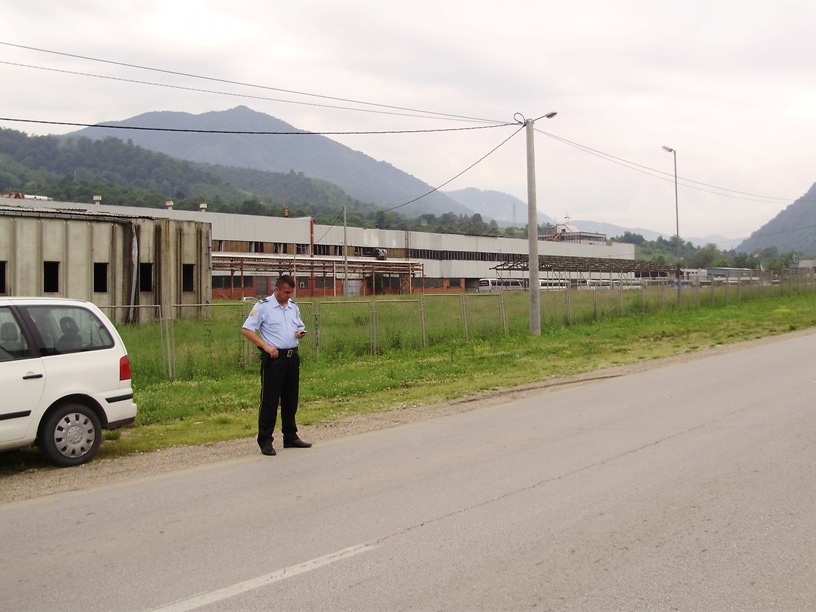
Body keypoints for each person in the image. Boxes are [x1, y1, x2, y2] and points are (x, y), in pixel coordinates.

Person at [241, 275, 311, 456]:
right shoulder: (263, 306)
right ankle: (265, 440)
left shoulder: (293, 307)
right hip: (274, 359)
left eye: (291, 293)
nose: (289, 296)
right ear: (277, 289)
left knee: (291, 399)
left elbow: (300, 326)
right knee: (270, 401)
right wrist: (264, 346)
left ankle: (290, 436)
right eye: (286, 292)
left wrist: (300, 332)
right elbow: (247, 330)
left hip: (292, 357)